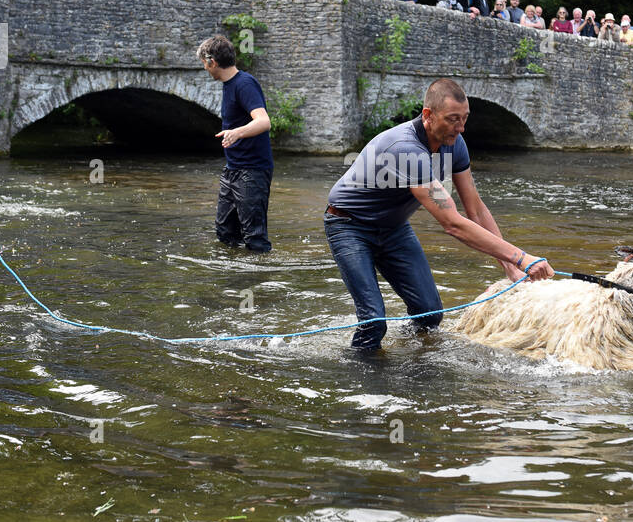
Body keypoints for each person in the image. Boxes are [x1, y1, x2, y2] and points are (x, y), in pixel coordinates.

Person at [324, 79, 553, 352]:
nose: (461, 128)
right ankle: (362, 381)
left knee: (429, 314)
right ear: (427, 116)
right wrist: (521, 257)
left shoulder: (455, 143)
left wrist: (510, 266)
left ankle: (413, 361)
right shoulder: (405, 148)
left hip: (393, 228)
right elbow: (452, 223)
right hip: (349, 226)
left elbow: (476, 209)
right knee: (374, 321)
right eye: (453, 119)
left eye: (465, 119)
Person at [200, 35, 273, 253]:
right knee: (225, 232)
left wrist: (237, 133)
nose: (205, 69)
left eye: (204, 64)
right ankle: (235, 278)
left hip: (253, 170)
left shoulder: (244, 84)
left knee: (254, 237)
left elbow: (264, 121)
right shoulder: (228, 84)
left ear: (211, 61)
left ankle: (259, 280)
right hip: (233, 169)